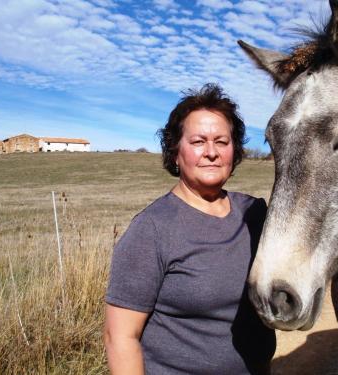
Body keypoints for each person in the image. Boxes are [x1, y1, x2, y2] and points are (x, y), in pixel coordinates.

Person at [104, 83, 276, 375]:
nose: (211, 152)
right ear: (175, 152)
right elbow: (120, 337)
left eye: (222, 142)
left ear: (234, 152)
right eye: (198, 142)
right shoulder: (152, 230)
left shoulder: (255, 214)